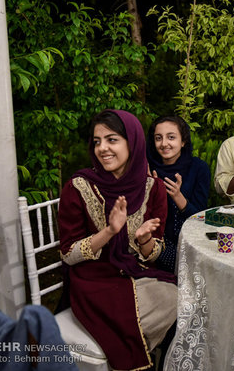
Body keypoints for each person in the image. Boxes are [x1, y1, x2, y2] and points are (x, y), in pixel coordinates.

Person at [58, 110, 177, 370]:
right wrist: (109, 232)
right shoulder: (77, 187)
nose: (102, 148)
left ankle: (121, 353)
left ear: (132, 142)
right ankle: (127, 357)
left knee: (179, 299)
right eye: (97, 141)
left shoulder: (152, 188)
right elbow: (68, 255)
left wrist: (144, 240)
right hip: (94, 280)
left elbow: (155, 250)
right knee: (139, 317)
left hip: (136, 271)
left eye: (112, 140)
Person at [147, 115, 210, 273]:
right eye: (158, 138)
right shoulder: (147, 169)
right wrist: (150, 189)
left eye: (171, 137)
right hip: (153, 244)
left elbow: (201, 219)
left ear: (183, 141)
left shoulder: (198, 168)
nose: (164, 144)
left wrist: (178, 197)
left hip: (190, 242)